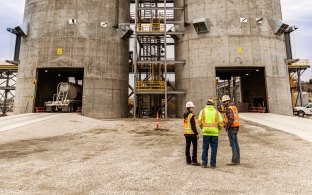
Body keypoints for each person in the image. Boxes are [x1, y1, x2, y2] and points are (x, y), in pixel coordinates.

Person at [198, 98, 223, 168]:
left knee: (205, 148)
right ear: (213, 104)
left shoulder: (202, 111)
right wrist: (218, 129)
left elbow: (199, 122)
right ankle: (213, 164)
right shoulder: (217, 112)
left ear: (206, 104)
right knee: (214, 149)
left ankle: (204, 163)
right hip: (214, 133)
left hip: (206, 133)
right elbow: (221, 123)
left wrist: (203, 128)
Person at [222, 95, 240, 166]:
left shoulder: (229, 109)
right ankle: (237, 160)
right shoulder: (234, 107)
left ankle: (234, 160)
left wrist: (226, 126)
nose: (223, 103)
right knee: (236, 144)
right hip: (235, 128)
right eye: (223, 102)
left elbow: (231, 119)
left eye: (224, 102)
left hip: (231, 128)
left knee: (233, 144)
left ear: (228, 101)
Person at [183, 101, 201, 166]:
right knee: (194, 146)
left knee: (187, 146)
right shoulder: (191, 115)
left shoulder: (185, 115)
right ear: (190, 108)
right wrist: (196, 133)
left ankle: (188, 161)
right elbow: (193, 126)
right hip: (192, 133)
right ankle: (194, 161)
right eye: (192, 108)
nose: (193, 109)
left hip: (186, 133)